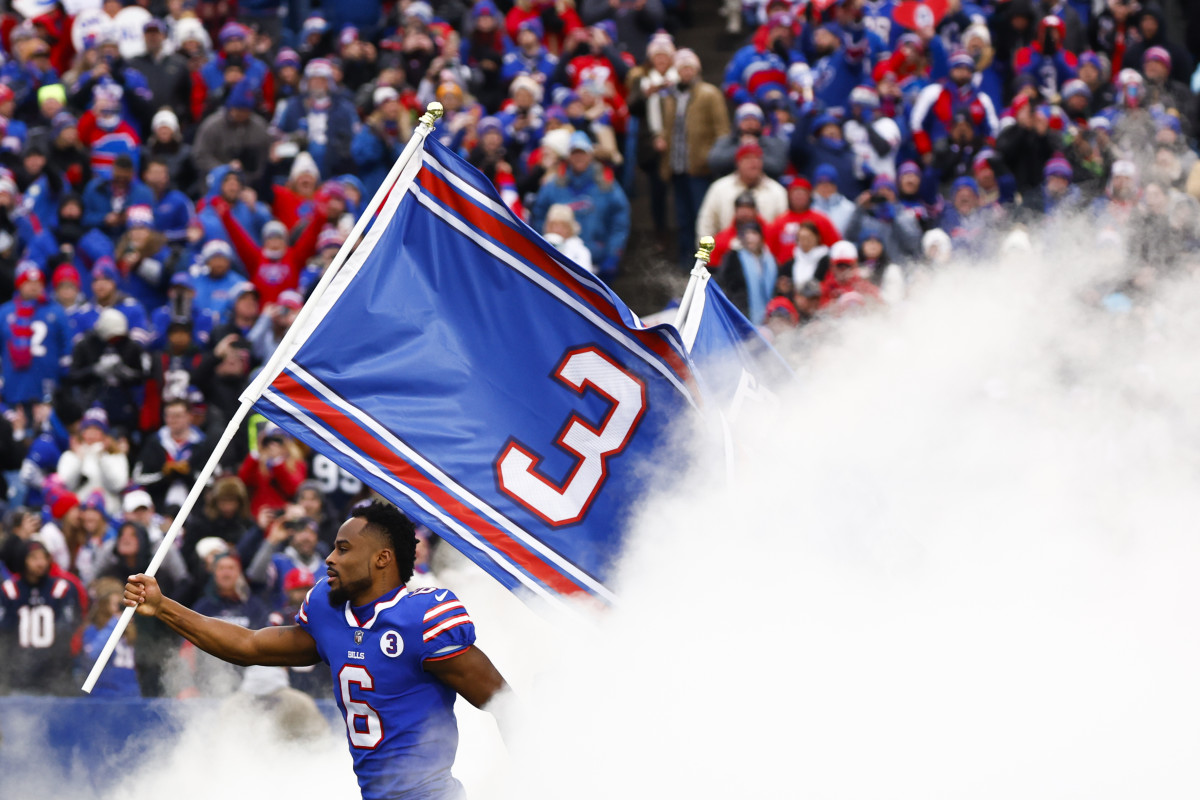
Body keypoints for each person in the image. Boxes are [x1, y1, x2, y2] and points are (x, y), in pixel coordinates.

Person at [123, 500, 509, 800]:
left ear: (382, 559)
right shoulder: (330, 612)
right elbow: (249, 645)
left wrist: (536, 778)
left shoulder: (423, 617)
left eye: (343, 549)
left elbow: (504, 703)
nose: (329, 558)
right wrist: (163, 607)